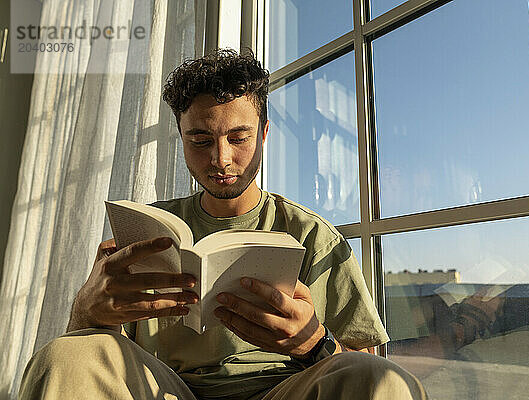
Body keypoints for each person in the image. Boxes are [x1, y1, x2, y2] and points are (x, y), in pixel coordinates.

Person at [19, 49, 427, 400]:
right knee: (63, 355)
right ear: (180, 138)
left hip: (282, 389)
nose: (221, 159)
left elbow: (361, 364)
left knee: (380, 379)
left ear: (264, 134)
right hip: (168, 388)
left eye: (239, 137)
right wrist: (84, 312)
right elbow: (94, 356)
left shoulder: (312, 235)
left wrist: (313, 344)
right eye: (199, 140)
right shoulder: (145, 230)